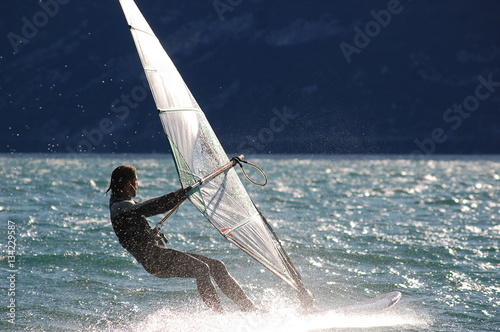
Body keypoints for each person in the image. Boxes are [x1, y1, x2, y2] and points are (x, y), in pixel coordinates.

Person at [106, 165, 256, 313]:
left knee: (217, 266)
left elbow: (148, 208)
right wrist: (180, 194)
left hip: (160, 256)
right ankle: (220, 316)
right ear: (128, 185)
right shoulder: (120, 207)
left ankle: (250, 309)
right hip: (155, 259)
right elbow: (152, 206)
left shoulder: (123, 205)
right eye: (136, 181)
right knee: (201, 268)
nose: (137, 186)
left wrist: (182, 195)